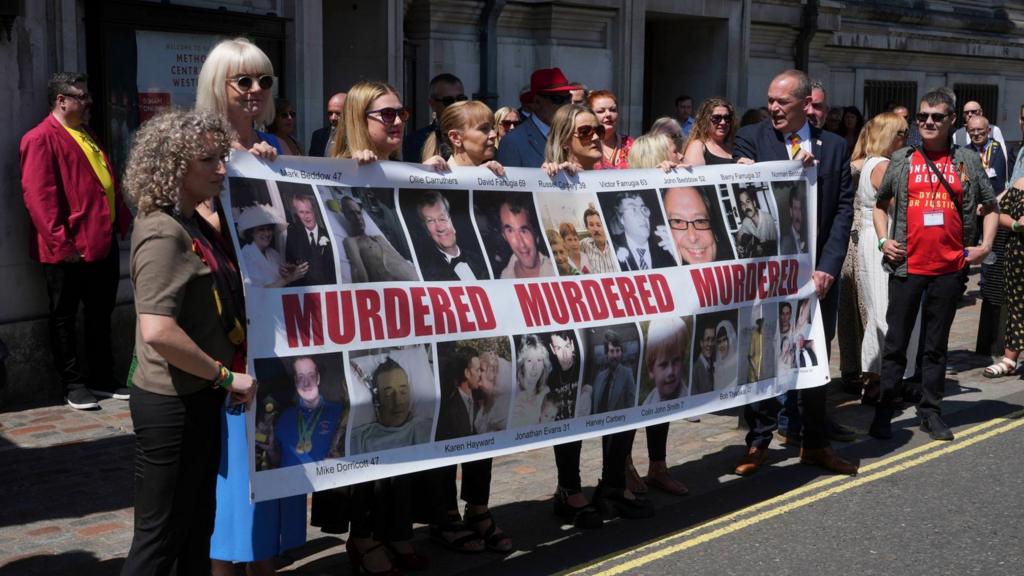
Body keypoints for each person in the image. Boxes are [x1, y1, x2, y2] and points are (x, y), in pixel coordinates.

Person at [120, 109, 255, 575]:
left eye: (222, 158)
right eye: (208, 160)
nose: (221, 168)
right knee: (160, 537)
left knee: (198, 524)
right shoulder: (161, 231)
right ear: (174, 166)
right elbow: (157, 330)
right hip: (172, 402)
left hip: (198, 395)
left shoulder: (189, 220)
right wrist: (224, 374)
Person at [193, 38, 291, 576]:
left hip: (277, 328)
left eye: (264, 81)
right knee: (233, 468)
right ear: (218, 85)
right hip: (227, 331)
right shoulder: (201, 150)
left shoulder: (276, 145)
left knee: (272, 456)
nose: (255, 91)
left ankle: (266, 564)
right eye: (243, 81)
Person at [733, 69, 857, 477]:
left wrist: (828, 267)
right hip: (766, 276)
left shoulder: (835, 147)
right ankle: (759, 441)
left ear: (806, 105)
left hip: (816, 277)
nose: (773, 108)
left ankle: (815, 443)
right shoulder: (753, 138)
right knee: (764, 356)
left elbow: (842, 211)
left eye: (781, 102)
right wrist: (746, 168)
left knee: (815, 360)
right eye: (770, 100)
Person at [869, 88, 998, 442]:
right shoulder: (903, 160)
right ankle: (885, 411)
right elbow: (880, 205)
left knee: (934, 346)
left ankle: (931, 412)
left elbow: (990, 206)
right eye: (922, 116)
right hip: (907, 268)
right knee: (895, 344)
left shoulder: (966, 161)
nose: (927, 122)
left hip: (949, 269)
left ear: (951, 121)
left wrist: (984, 247)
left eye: (936, 117)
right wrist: (884, 240)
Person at [19, 71, 132, 410]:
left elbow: (103, 181)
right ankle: (73, 383)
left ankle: (101, 377)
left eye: (88, 96)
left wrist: (121, 218)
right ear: (61, 100)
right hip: (68, 247)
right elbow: (39, 196)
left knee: (101, 313)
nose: (88, 103)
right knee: (64, 316)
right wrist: (60, 243)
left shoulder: (86, 133)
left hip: (101, 239)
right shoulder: (40, 138)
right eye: (81, 97)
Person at [851, 112, 916, 400]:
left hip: (873, 238)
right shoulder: (883, 165)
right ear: (890, 136)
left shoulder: (872, 162)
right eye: (902, 133)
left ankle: (878, 377)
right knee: (884, 311)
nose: (906, 138)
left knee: (881, 310)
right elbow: (900, 205)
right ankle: (878, 379)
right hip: (881, 238)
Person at [432, 346, 512, 553]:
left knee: (482, 441)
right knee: (445, 446)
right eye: (477, 369)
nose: (481, 372)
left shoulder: (480, 401)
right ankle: (446, 516)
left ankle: (478, 509)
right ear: (466, 373)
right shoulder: (451, 404)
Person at [349, 358, 433, 454]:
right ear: (377, 399)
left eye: (403, 392)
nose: (397, 401)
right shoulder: (360, 440)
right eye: (388, 394)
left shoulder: (429, 429)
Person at [497, 67, 576, 168]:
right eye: (558, 99)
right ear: (537, 102)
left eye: (568, 98)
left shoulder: (578, 135)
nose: (566, 105)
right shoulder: (513, 142)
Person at [414, 190, 490, 281]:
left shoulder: (480, 259)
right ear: (427, 230)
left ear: (451, 220)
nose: (440, 228)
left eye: (442, 218)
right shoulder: (426, 273)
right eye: (430, 221)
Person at [340, 194, 419, 282]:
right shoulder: (352, 242)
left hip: (415, 277)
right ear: (345, 215)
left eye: (358, 213)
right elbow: (360, 276)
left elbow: (400, 259)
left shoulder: (380, 238)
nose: (357, 218)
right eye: (351, 213)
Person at [237, 205, 308, 287]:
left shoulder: (273, 253)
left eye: (269, 229)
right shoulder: (246, 255)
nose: (267, 233)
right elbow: (257, 291)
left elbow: (278, 278)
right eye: (261, 229)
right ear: (251, 233)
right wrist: (288, 279)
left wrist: (287, 272)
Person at [403, 73, 466, 162]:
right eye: (448, 101)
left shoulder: (475, 135)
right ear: (432, 103)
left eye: (461, 99)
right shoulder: (415, 141)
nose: (456, 105)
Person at [608, 191, 678, 270]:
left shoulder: (666, 250)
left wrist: (677, 258)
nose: (642, 216)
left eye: (643, 209)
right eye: (633, 210)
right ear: (621, 219)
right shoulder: (610, 248)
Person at [283, 194, 337, 286]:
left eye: (308, 212)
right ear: (297, 213)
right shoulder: (292, 236)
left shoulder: (329, 234)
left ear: (315, 212)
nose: (305, 216)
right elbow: (290, 263)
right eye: (301, 212)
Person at [497, 195, 555, 279]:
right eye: (510, 231)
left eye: (524, 231)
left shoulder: (554, 267)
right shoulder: (504, 277)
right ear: (504, 236)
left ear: (535, 232)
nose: (521, 244)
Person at [510, 334, 553, 427]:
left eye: (539, 360)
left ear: (544, 365)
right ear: (522, 365)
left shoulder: (546, 393)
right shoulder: (512, 390)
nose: (534, 367)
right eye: (529, 361)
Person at [591, 332, 636, 414]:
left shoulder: (627, 374)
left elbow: (631, 406)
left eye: (618, 351)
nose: (615, 355)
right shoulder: (599, 377)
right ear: (606, 353)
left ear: (621, 352)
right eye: (611, 351)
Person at [682, 97, 736, 166]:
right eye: (716, 118)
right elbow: (695, 176)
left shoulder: (736, 145)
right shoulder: (698, 146)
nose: (723, 122)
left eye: (727, 118)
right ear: (705, 120)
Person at [588, 90, 634, 170]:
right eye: (600, 111)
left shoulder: (631, 144)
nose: (608, 114)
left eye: (613, 110)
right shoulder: (585, 145)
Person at [735, 186, 778, 258]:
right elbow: (739, 236)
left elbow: (777, 247)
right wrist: (739, 246)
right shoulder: (746, 221)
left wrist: (763, 249)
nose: (746, 206)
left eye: (748, 201)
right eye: (742, 204)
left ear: (754, 203)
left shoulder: (767, 219)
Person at [579, 207, 620, 274]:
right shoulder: (584, 244)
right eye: (591, 225)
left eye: (598, 225)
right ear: (587, 228)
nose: (596, 229)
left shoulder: (616, 244)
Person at [309, 92, 346, 157]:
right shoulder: (318, 135)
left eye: (338, 113)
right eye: (330, 113)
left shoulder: (358, 136)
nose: (333, 118)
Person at [779, 187, 808, 255]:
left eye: (801, 209)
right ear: (791, 211)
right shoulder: (783, 243)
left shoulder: (810, 236)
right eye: (795, 209)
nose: (798, 214)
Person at [713, 320, 738, 390]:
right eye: (719, 341)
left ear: (730, 340)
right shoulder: (717, 367)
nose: (721, 345)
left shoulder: (737, 364)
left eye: (724, 340)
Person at [692, 326, 716, 394]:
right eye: (707, 339)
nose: (710, 344)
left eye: (713, 340)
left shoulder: (715, 366)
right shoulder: (694, 370)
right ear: (701, 343)